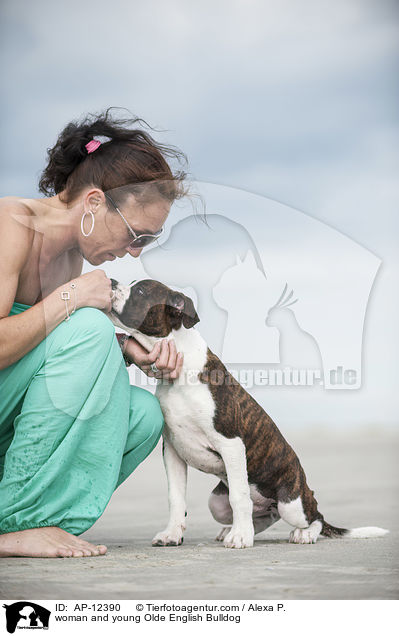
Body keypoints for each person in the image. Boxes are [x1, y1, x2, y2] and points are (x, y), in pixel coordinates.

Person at [0, 109, 189, 558]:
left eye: (147, 242)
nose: (133, 251)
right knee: (87, 326)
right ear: (94, 203)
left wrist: (126, 348)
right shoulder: (11, 223)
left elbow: (47, 346)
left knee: (141, 413)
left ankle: (42, 522)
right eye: (135, 235)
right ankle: (15, 523)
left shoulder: (71, 255)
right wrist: (73, 298)